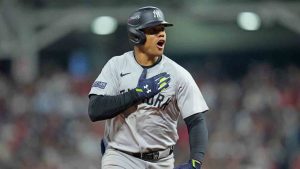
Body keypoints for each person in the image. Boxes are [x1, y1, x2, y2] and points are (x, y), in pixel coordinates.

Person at [88, 6, 209, 169]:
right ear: (137, 35)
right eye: (153, 30)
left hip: (162, 160)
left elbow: (196, 121)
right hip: (121, 156)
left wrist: (196, 162)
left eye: (162, 29)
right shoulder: (117, 66)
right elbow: (95, 110)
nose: (161, 34)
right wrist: (137, 93)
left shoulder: (178, 74)